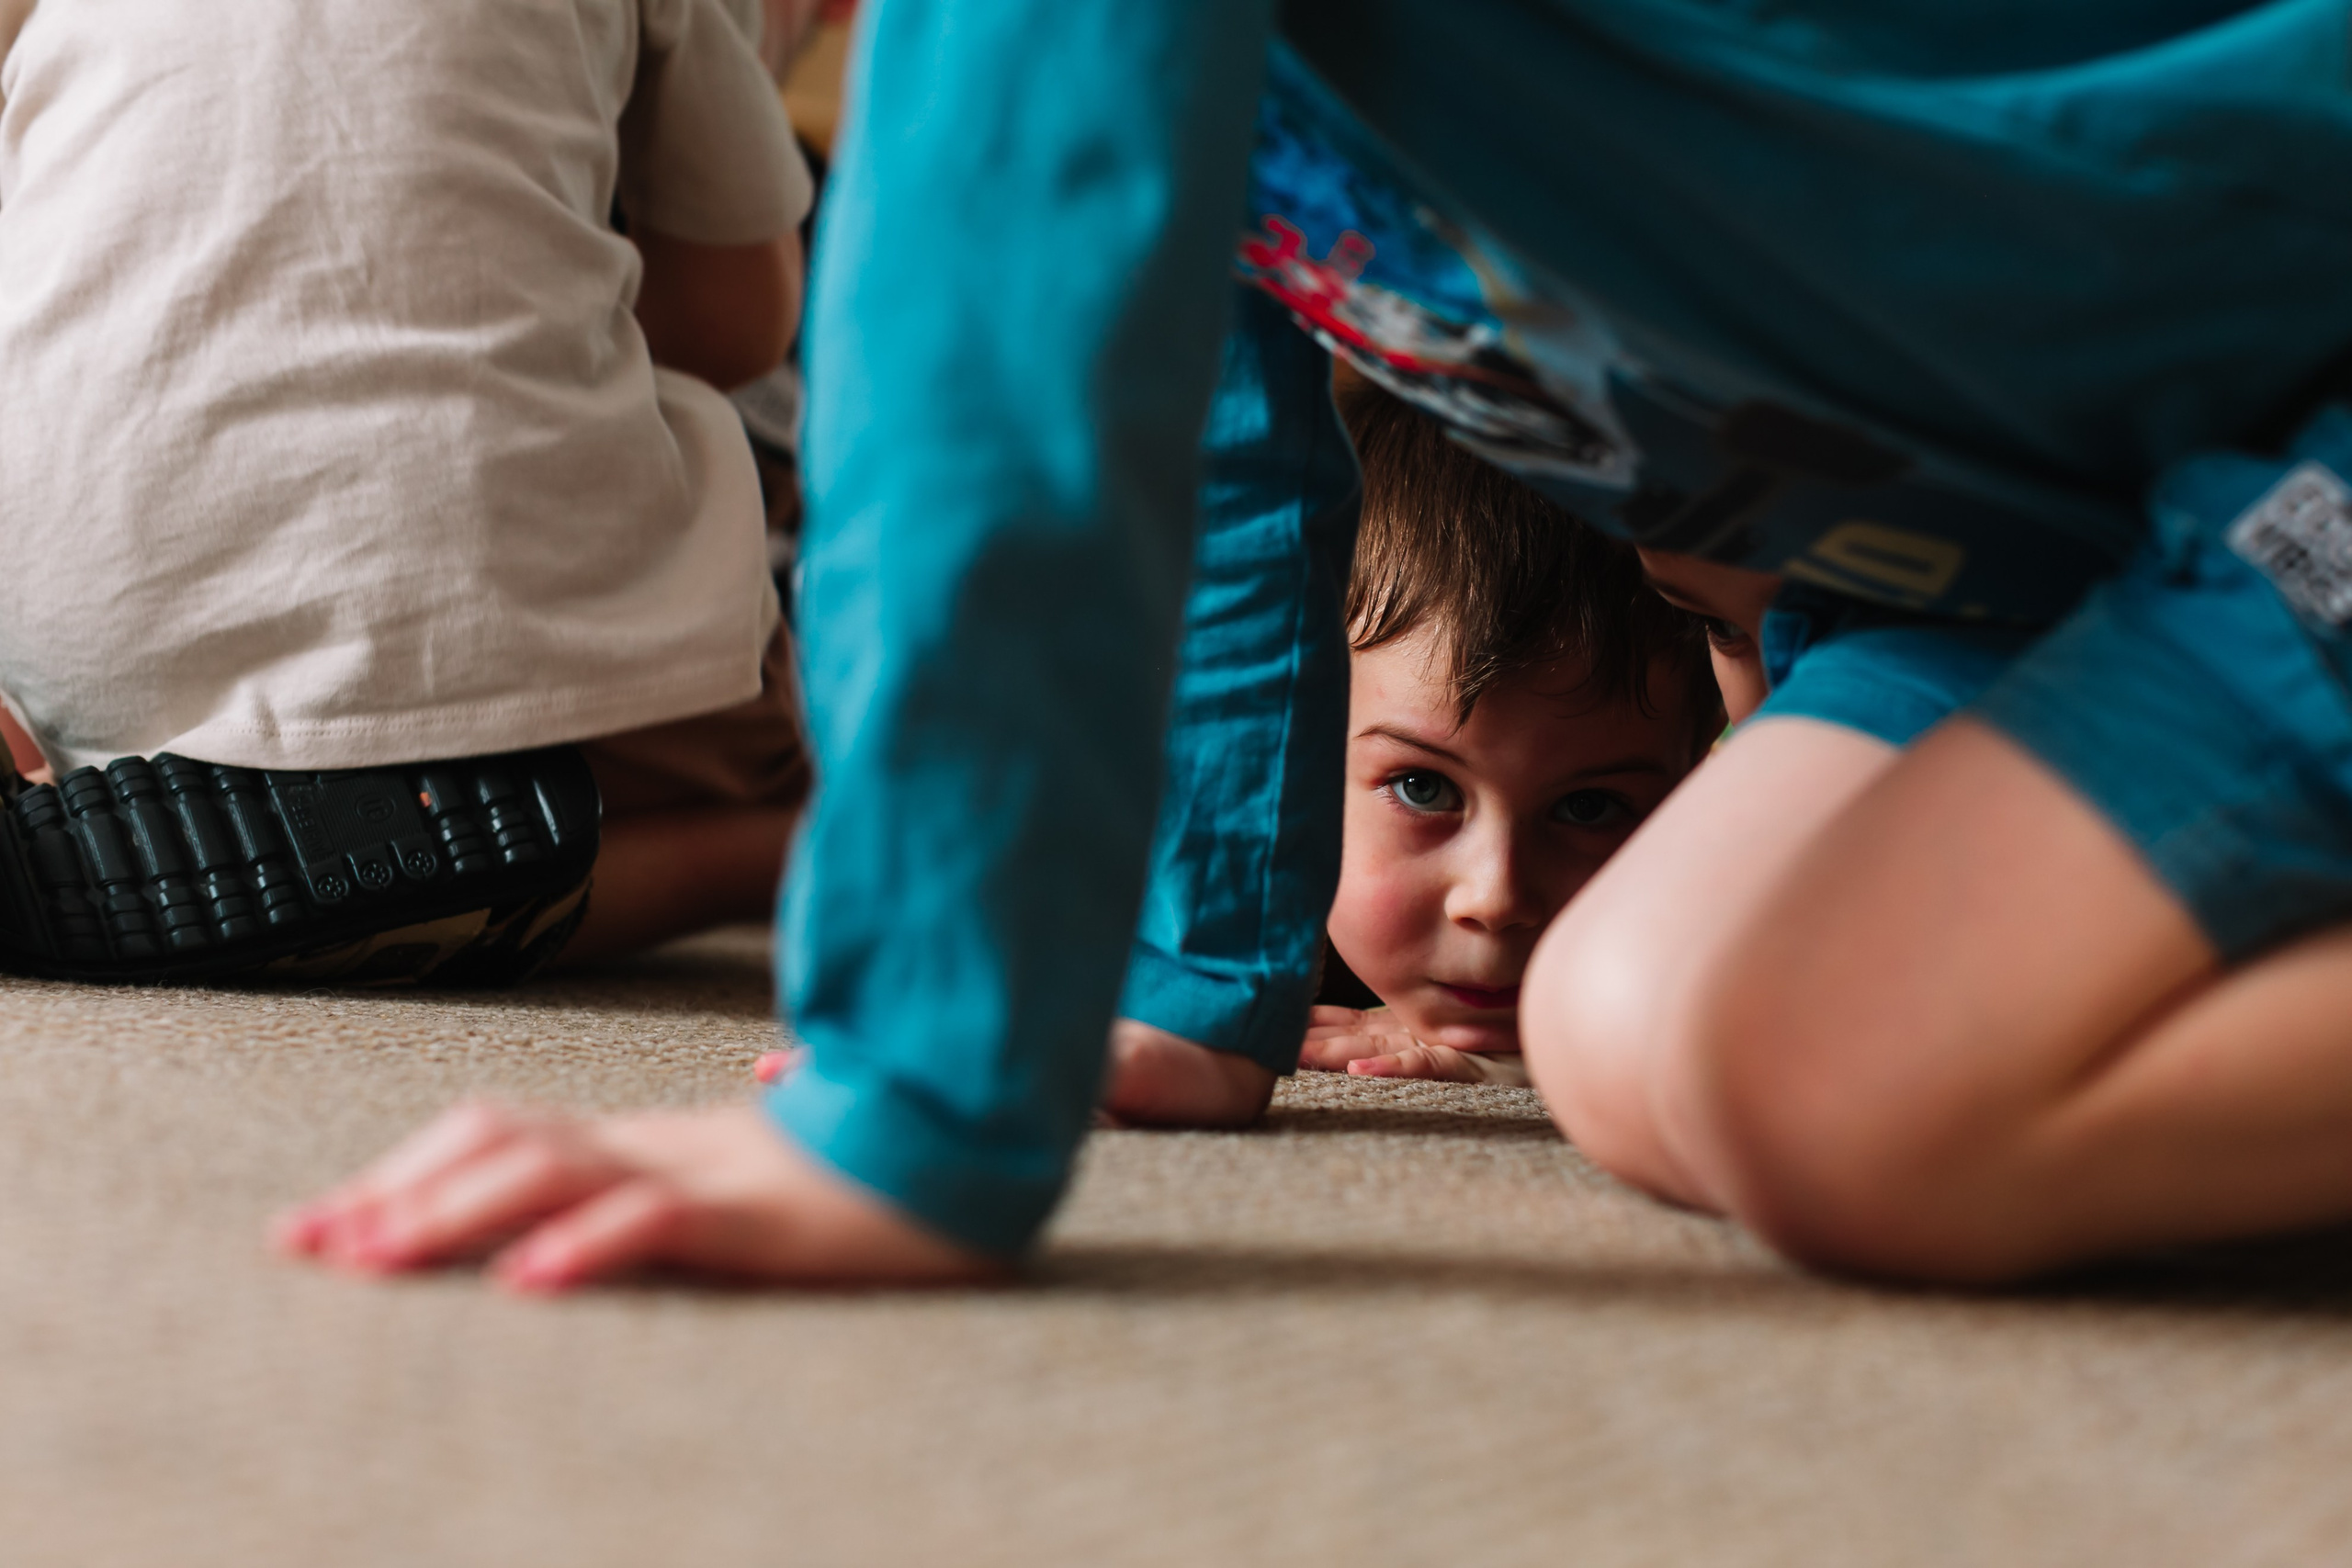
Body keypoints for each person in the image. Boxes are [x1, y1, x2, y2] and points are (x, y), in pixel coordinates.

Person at [281, 0, 2352, 1292]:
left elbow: (1002, 342)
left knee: (1839, 1096)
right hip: (2049, 573)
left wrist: (914, 1091)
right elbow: (1196, 402)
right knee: (1636, 1038)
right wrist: (1184, 976)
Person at [0, 0, 817, 975]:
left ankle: (213, 819)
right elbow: (741, 321)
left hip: (71, 642)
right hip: (494, 628)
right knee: (796, 742)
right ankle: (772, 850)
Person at [1298, 386, 1717, 1087]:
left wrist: (1547, 1066)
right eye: (1423, 787)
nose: (1496, 899)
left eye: (1590, 806)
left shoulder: (1742, 906)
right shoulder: (1226, 909)